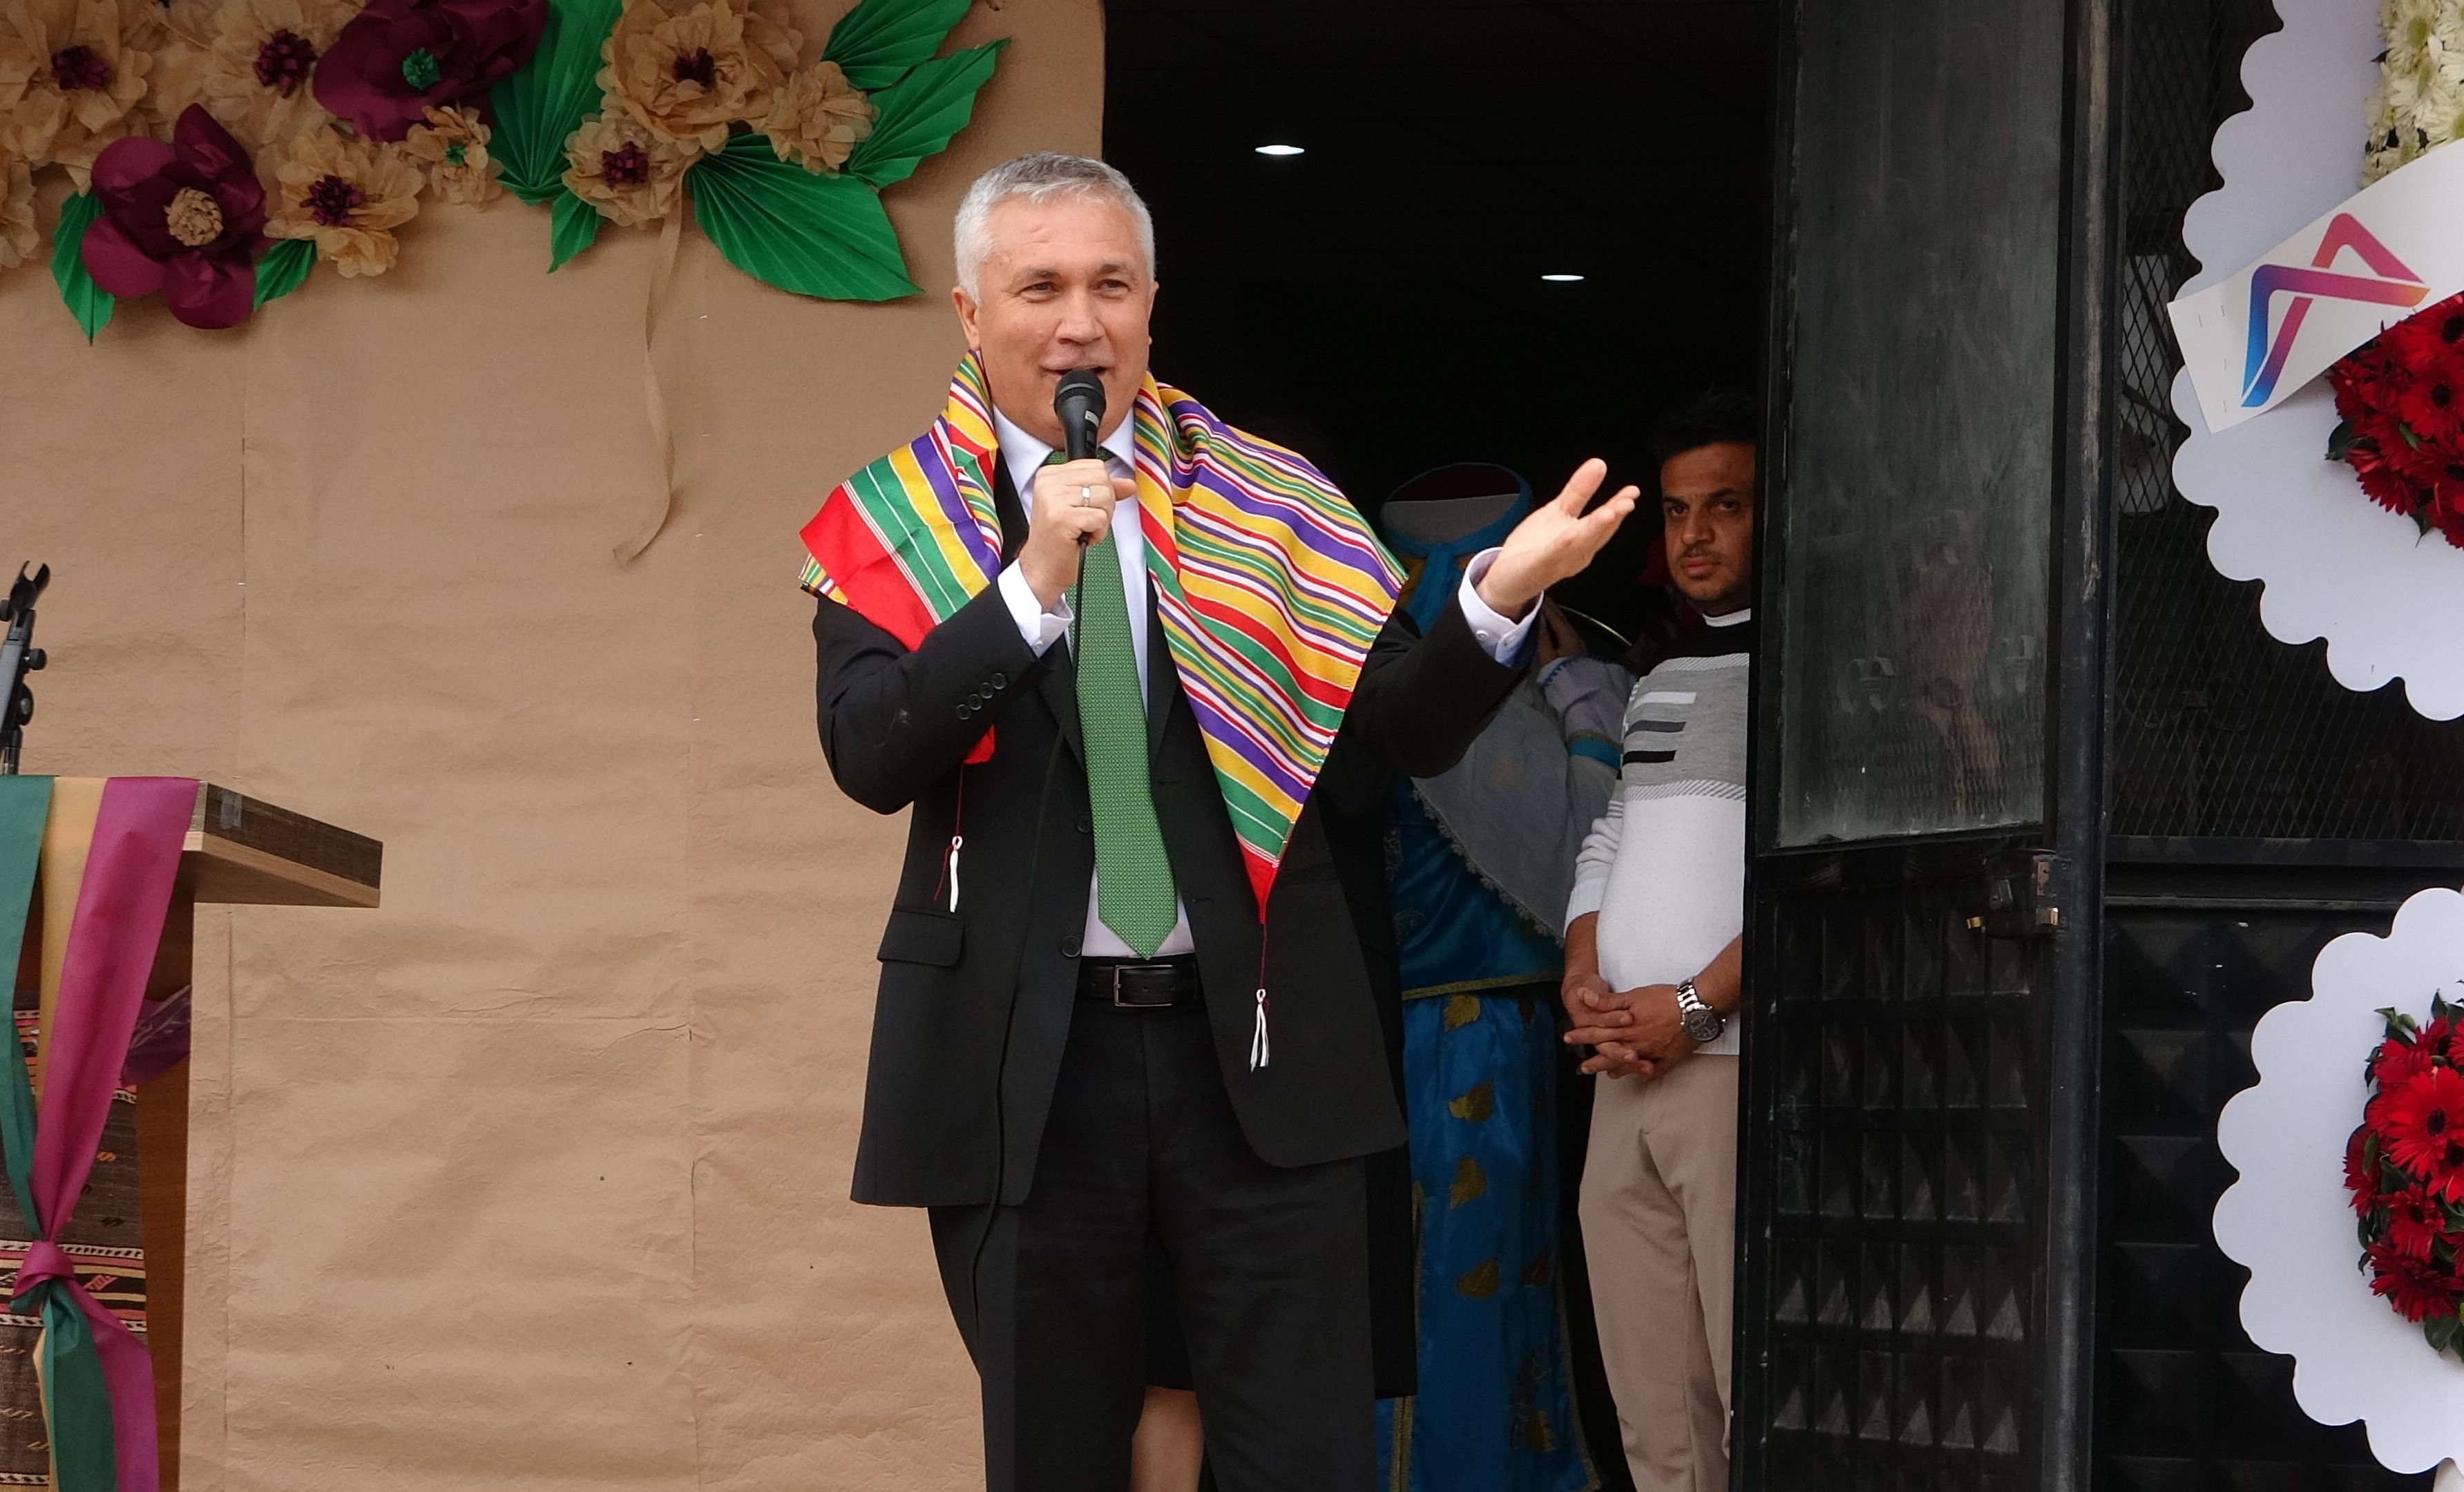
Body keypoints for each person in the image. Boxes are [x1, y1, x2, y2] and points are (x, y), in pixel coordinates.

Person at [799, 152, 1639, 1490]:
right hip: (1026, 1068)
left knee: (1300, 1455)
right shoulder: (895, 520)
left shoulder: (1268, 501)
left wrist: (1494, 603)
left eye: (1111, 286)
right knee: (1056, 1455)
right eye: (1040, 289)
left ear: (1150, 306)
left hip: (1256, 1048)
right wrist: (1032, 581)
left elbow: (1385, 745)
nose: (1080, 324)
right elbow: (870, 752)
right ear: (970, 314)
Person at [1370, 463, 1631, 1492]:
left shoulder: (1365, 656)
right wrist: (1586, 706)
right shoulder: (1477, 693)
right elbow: (1576, 854)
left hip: (1419, 1036)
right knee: (1463, 1282)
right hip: (1474, 1042)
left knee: (1464, 1276)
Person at [1558, 391, 1757, 1492]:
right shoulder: (1662, 675)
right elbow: (1611, 836)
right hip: (1624, 1069)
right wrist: (1583, 975)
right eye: (1678, 511)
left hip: (1724, 1064)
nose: (1696, 535)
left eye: (1726, 505)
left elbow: (1812, 874)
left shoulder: (1820, 671)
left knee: (1749, 1392)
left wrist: (1694, 1007)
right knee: (1656, 1420)